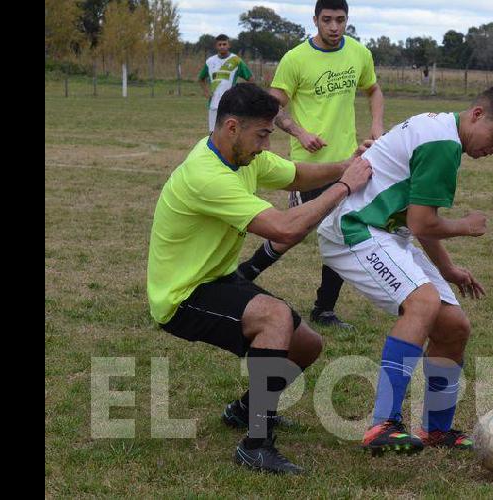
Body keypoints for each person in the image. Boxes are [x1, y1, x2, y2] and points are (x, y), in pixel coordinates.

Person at [146, 82, 373, 474]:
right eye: (263, 135)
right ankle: (256, 444)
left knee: (307, 345)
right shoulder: (207, 175)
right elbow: (285, 229)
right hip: (181, 296)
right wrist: (344, 186)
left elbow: (298, 174)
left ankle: (244, 410)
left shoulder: (242, 157)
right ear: (232, 127)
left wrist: (346, 165)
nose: (266, 145)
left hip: (217, 279)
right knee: (274, 318)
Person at [316, 85, 493, 455]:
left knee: (454, 327)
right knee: (423, 303)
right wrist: (466, 225)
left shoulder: (443, 131)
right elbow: (422, 224)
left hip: (387, 231)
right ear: (477, 114)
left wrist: (447, 269)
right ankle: (382, 423)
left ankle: (435, 429)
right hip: (356, 227)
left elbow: (419, 219)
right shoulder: (443, 144)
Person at [233, 0, 384, 330]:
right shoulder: (296, 59)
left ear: (347, 20)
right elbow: (271, 106)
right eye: (327, 19)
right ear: (315, 19)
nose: (334, 26)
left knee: (342, 231)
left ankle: (324, 308)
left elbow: (373, 90)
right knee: (294, 231)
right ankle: (245, 273)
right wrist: (300, 132)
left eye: (340, 20)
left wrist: (377, 124)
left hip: (347, 162)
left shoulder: (359, 53)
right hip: (308, 167)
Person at [198, 34, 253, 132]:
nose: (222, 46)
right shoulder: (210, 62)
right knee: (213, 132)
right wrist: (206, 92)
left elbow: (250, 78)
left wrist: (244, 94)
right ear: (216, 46)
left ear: (229, 45)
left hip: (231, 103)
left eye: (224, 44)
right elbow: (201, 78)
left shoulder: (236, 60)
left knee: (230, 132)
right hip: (214, 103)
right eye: (220, 44)